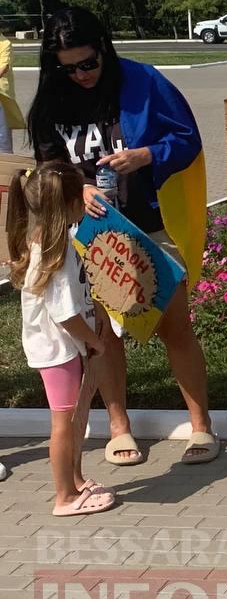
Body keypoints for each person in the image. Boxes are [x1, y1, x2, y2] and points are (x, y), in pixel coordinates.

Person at [27, 7, 216, 467]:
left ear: (104, 49)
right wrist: (81, 185)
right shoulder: (53, 99)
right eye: (67, 67)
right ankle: (118, 426)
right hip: (86, 234)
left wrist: (147, 155)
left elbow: (187, 138)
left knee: (175, 325)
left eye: (87, 63)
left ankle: (202, 426)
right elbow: (48, 164)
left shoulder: (144, 81)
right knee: (101, 333)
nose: (80, 74)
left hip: (150, 223)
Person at [8, 161, 117, 515]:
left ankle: (76, 479)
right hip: (59, 351)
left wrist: (97, 312)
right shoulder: (52, 254)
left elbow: (79, 297)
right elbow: (64, 313)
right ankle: (64, 497)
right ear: (70, 205)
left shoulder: (61, 242)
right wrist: (96, 342)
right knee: (63, 425)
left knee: (75, 419)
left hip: (70, 347)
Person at [0, 36, 20, 153]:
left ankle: (5, 168)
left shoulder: (4, 43)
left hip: (1, 97)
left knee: (2, 142)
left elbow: (3, 67)